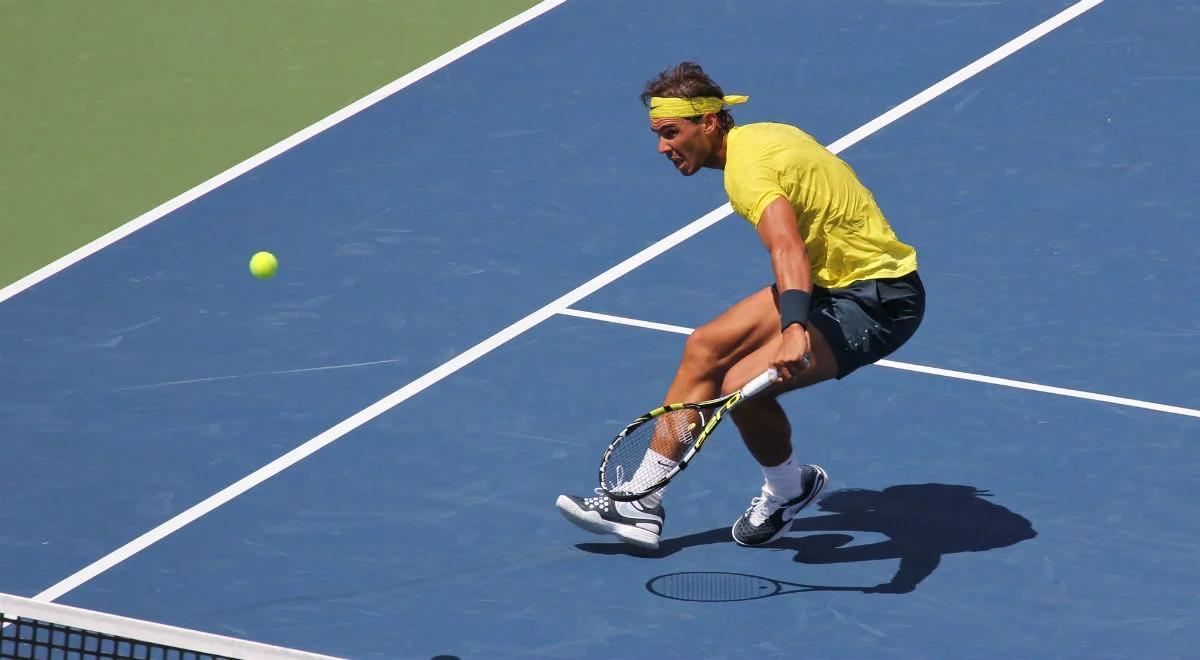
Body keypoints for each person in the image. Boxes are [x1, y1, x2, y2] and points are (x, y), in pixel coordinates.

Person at [556, 62, 924, 550]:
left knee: (742, 388)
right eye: (658, 135)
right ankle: (638, 503)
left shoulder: (746, 174)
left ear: (708, 122)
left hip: (880, 298)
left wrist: (795, 327)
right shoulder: (766, 135)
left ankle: (787, 491)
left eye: (671, 132)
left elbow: (786, 247)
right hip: (829, 280)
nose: (663, 147)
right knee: (705, 346)